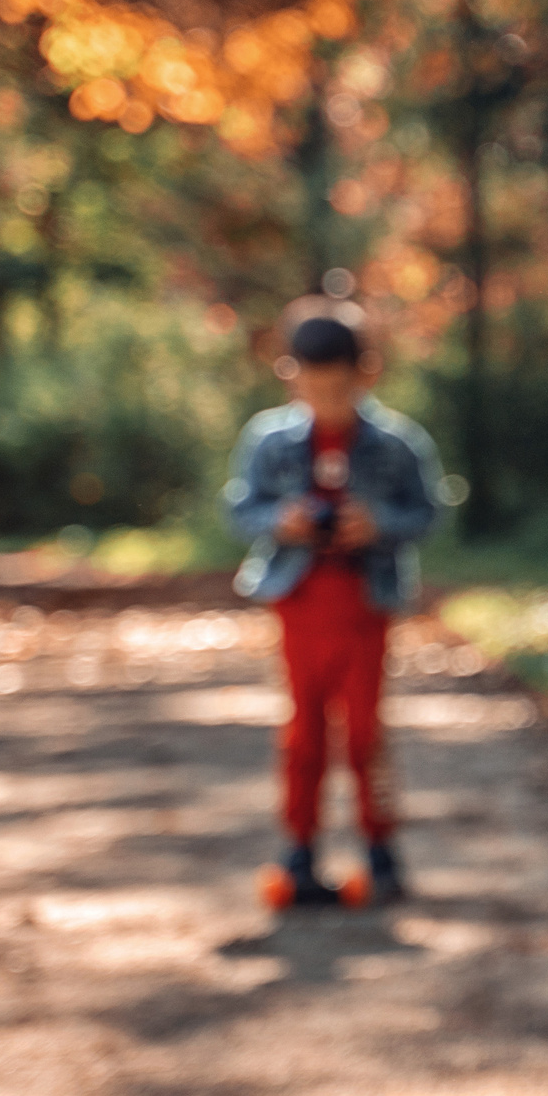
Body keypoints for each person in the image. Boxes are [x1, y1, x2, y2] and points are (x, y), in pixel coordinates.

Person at [226, 297, 441, 906]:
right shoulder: (268, 440)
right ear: (289, 375)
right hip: (298, 601)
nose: (325, 398)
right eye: (312, 385)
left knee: (366, 733)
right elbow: (239, 508)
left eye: (338, 386)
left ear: (365, 373)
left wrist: (378, 525)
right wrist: (281, 519)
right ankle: (298, 852)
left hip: (366, 603)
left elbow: (429, 511)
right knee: (304, 732)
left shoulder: (398, 443)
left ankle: (381, 852)